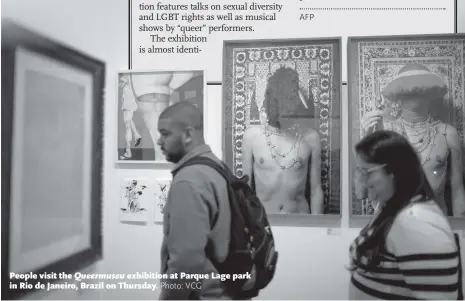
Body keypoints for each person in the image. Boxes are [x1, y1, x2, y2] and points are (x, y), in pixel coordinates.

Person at [348, 130, 460, 300]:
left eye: (367, 172)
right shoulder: (395, 210)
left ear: (393, 172)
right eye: (359, 171)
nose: (362, 180)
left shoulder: (417, 223)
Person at [360, 63, 465, 216]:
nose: (415, 96)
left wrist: (461, 232)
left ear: (431, 94)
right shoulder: (384, 132)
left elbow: (457, 191)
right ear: (398, 97)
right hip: (391, 226)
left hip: (434, 224)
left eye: (420, 90)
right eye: (408, 91)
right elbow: (363, 191)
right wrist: (365, 138)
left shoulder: (448, 133)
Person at [156, 102, 234, 299]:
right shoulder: (216, 166)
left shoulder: (188, 180)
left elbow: (186, 263)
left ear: (188, 135)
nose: (159, 141)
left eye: (165, 134)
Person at [242, 66, 324, 214]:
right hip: (264, 222)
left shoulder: (311, 138)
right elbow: (245, 190)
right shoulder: (251, 137)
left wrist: (318, 228)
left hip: (300, 219)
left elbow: (316, 190)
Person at [128, 71, 197, 161]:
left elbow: (130, 80)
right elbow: (187, 74)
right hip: (162, 96)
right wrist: (170, 88)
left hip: (144, 97)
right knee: (164, 138)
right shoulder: (166, 60)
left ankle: (164, 165)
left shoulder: (136, 62)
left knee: (159, 139)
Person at [119, 76, 142, 160]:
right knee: (129, 121)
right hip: (128, 103)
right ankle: (137, 135)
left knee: (127, 127)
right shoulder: (130, 81)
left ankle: (128, 152)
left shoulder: (127, 79)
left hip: (128, 104)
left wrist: (123, 81)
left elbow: (121, 84)